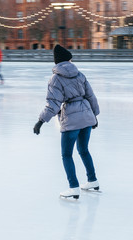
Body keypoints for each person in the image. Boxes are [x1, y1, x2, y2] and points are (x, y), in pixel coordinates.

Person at [33, 45, 100, 199]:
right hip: (87, 115)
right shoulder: (80, 75)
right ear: (68, 60)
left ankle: (74, 187)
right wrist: (94, 116)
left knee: (67, 155)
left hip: (71, 119)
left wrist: (40, 121)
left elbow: (53, 103)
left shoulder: (55, 79)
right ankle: (92, 180)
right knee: (84, 150)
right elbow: (91, 96)